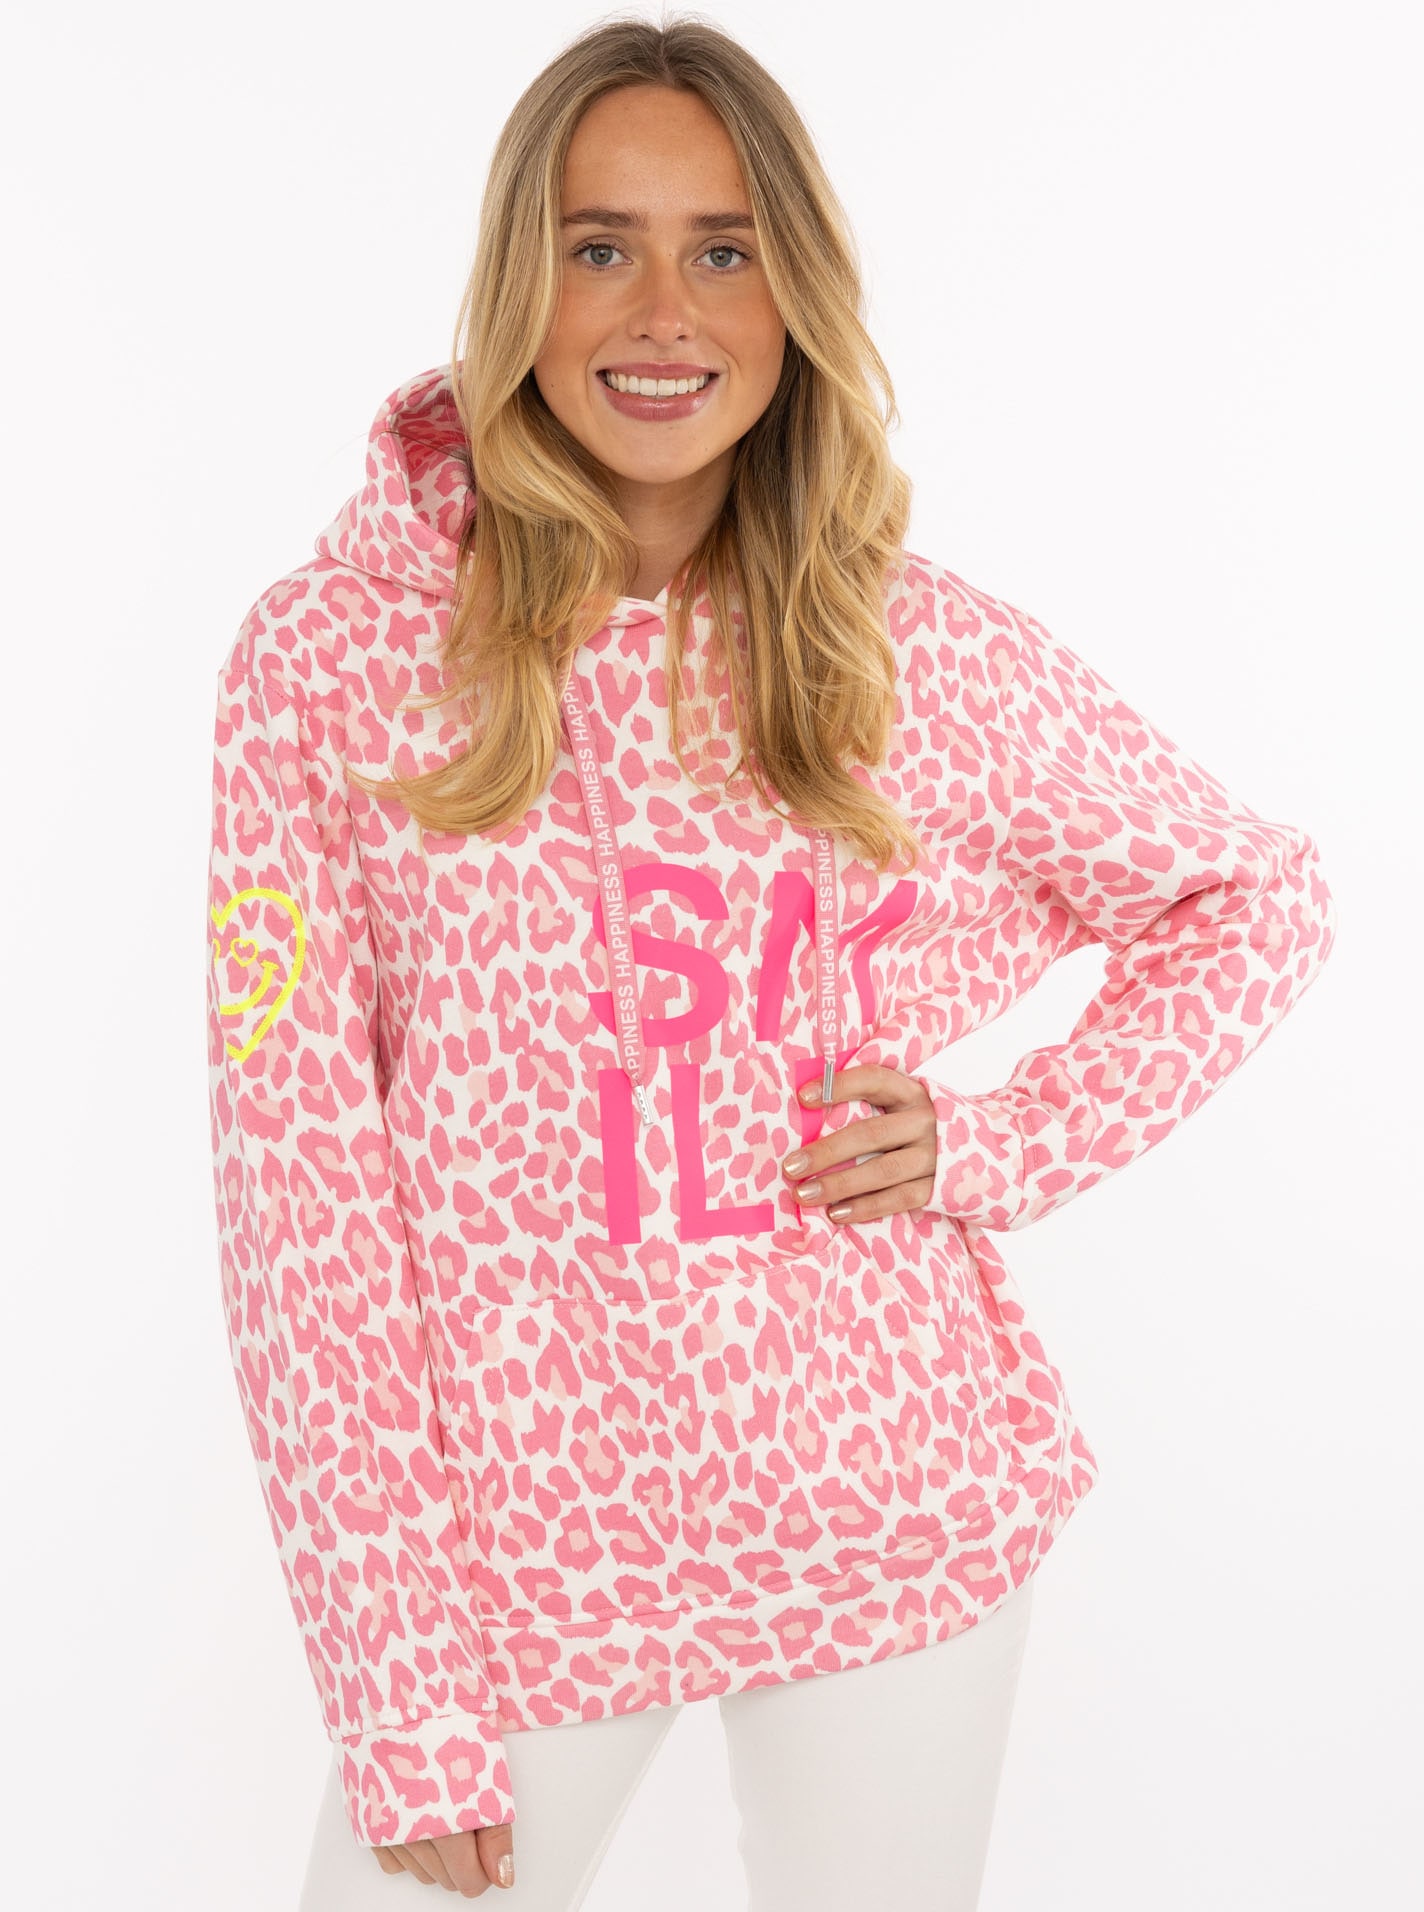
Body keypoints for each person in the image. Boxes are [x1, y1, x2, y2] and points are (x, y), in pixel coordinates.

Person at [204, 16, 1338, 1909]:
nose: (664, 313)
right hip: (527, 1561)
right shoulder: (331, 662)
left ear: (793, 291)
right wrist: (401, 1692)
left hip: (886, 1508)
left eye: (723, 249)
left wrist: (993, 1145)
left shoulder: (906, 647)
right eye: (601, 245)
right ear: (520, 279)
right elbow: (297, 1201)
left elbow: (1253, 898)